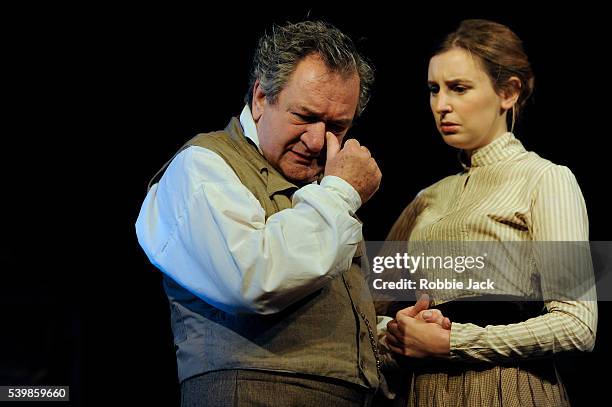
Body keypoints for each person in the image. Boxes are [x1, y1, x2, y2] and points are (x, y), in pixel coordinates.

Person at [135, 20, 448, 407]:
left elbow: (311, 320)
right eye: (304, 116)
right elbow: (254, 279)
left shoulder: (321, 192)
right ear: (261, 98)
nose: (318, 140)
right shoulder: (203, 166)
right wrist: (342, 191)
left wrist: (386, 339)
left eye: (337, 126)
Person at [381, 19, 597, 406]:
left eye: (459, 88)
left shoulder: (546, 179)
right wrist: (397, 331)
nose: (441, 105)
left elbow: (577, 325)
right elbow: (369, 308)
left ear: (508, 92)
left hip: (507, 388)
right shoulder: (426, 198)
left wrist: (452, 342)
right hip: (426, 393)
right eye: (434, 89)